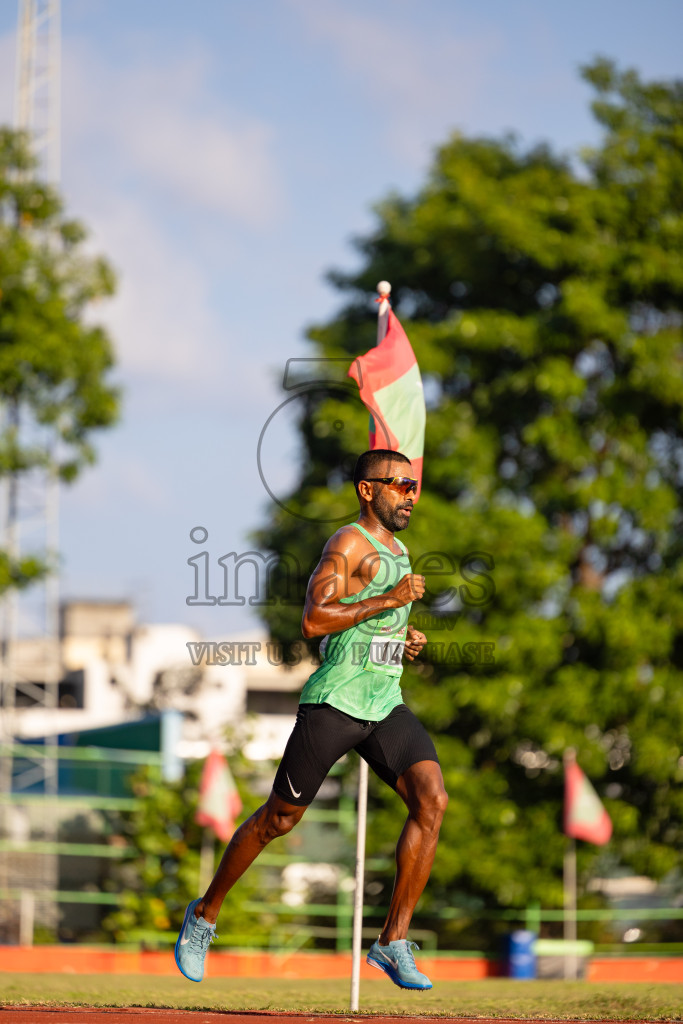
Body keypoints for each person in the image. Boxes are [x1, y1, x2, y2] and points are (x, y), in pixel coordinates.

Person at [175, 449, 448, 989]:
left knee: (432, 799)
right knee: (279, 820)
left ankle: (392, 941)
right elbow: (314, 620)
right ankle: (203, 916)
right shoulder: (348, 543)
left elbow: (368, 628)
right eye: (399, 485)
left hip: (383, 702)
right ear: (367, 490)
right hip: (335, 703)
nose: (410, 496)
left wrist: (401, 636)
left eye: (414, 486)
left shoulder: (400, 550)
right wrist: (389, 600)